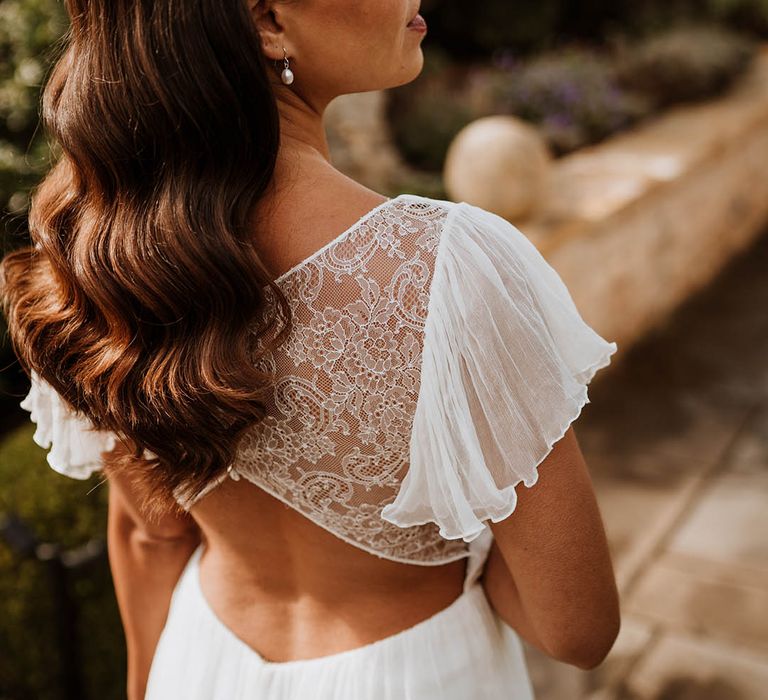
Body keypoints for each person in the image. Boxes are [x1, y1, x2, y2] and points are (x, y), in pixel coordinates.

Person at [1, 1, 621, 698]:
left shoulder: (89, 259)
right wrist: (466, 552)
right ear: (268, 21)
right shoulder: (447, 268)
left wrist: (147, 683)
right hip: (420, 672)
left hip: (200, 663)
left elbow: (153, 536)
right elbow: (576, 627)